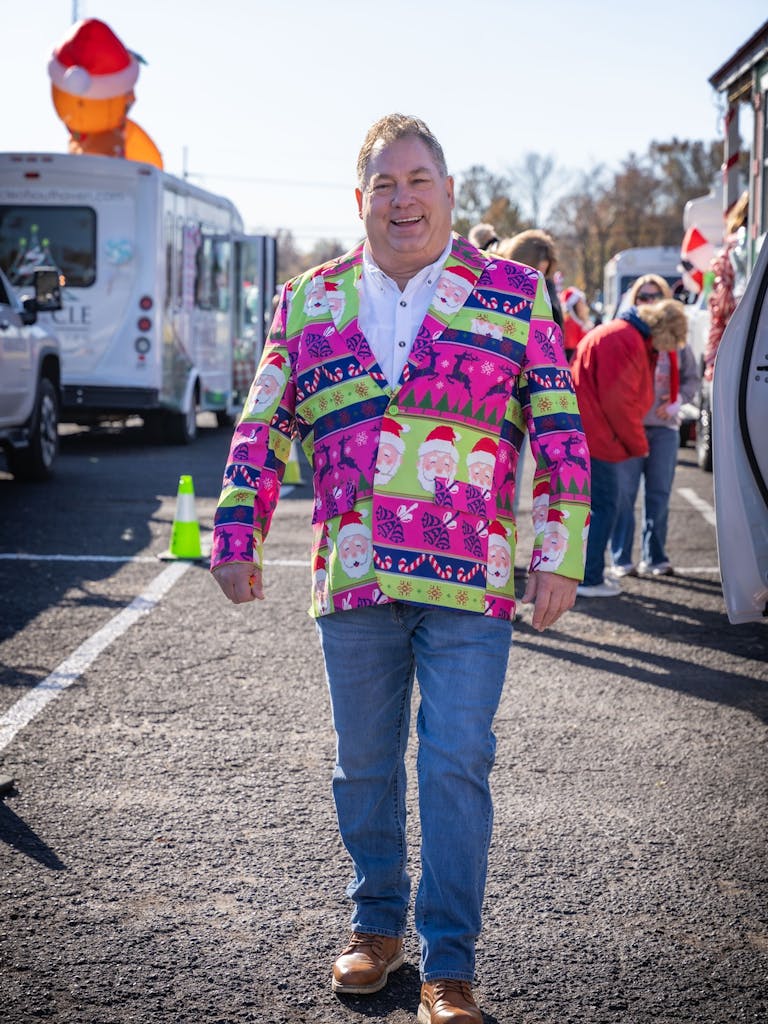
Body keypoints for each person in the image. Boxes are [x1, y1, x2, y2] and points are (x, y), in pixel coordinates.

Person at [210, 113, 590, 1024]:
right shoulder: (308, 300)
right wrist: (234, 531)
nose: (403, 197)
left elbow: (560, 424)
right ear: (360, 200)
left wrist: (560, 551)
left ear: (451, 194)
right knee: (364, 763)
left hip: (472, 578)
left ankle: (449, 965)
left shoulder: (515, 290)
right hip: (354, 575)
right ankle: (375, 928)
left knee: (457, 760)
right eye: (385, 183)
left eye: (419, 179)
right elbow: (266, 424)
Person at [571, 298, 688, 597]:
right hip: (599, 434)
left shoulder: (623, 334)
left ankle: (590, 573)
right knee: (605, 506)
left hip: (596, 430)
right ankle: (589, 578)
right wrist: (639, 445)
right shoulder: (626, 339)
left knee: (602, 505)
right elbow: (618, 403)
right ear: (665, 332)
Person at [609, 292, 698, 578]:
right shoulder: (633, 339)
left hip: (665, 430)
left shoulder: (677, 342)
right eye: (643, 295)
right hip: (631, 427)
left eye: (656, 295)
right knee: (624, 495)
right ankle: (621, 558)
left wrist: (677, 402)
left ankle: (655, 557)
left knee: (658, 495)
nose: (650, 300)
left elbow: (692, 379)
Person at [496, 228, 564, 330]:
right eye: (535, 271)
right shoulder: (499, 281)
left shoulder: (548, 291)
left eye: (543, 273)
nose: (539, 278)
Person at [560, 286, 592, 362]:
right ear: (574, 307)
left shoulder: (579, 323)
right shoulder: (570, 325)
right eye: (581, 303)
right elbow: (572, 355)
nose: (585, 306)